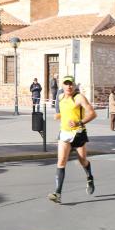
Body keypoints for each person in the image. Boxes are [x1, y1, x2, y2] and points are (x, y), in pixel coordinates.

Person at [47, 76, 97, 204]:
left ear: (74, 85)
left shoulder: (79, 97)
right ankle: (57, 193)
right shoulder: (60, 97)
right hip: (64, 133)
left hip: (78, 133)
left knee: (82, 160)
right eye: (66, 84)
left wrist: (78, 122)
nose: (69, 86)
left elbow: (92, 113)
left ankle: (89, 177)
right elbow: (63, 113)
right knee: (61, 161)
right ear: (62, 86)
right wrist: (58, 115)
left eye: (71, 84)